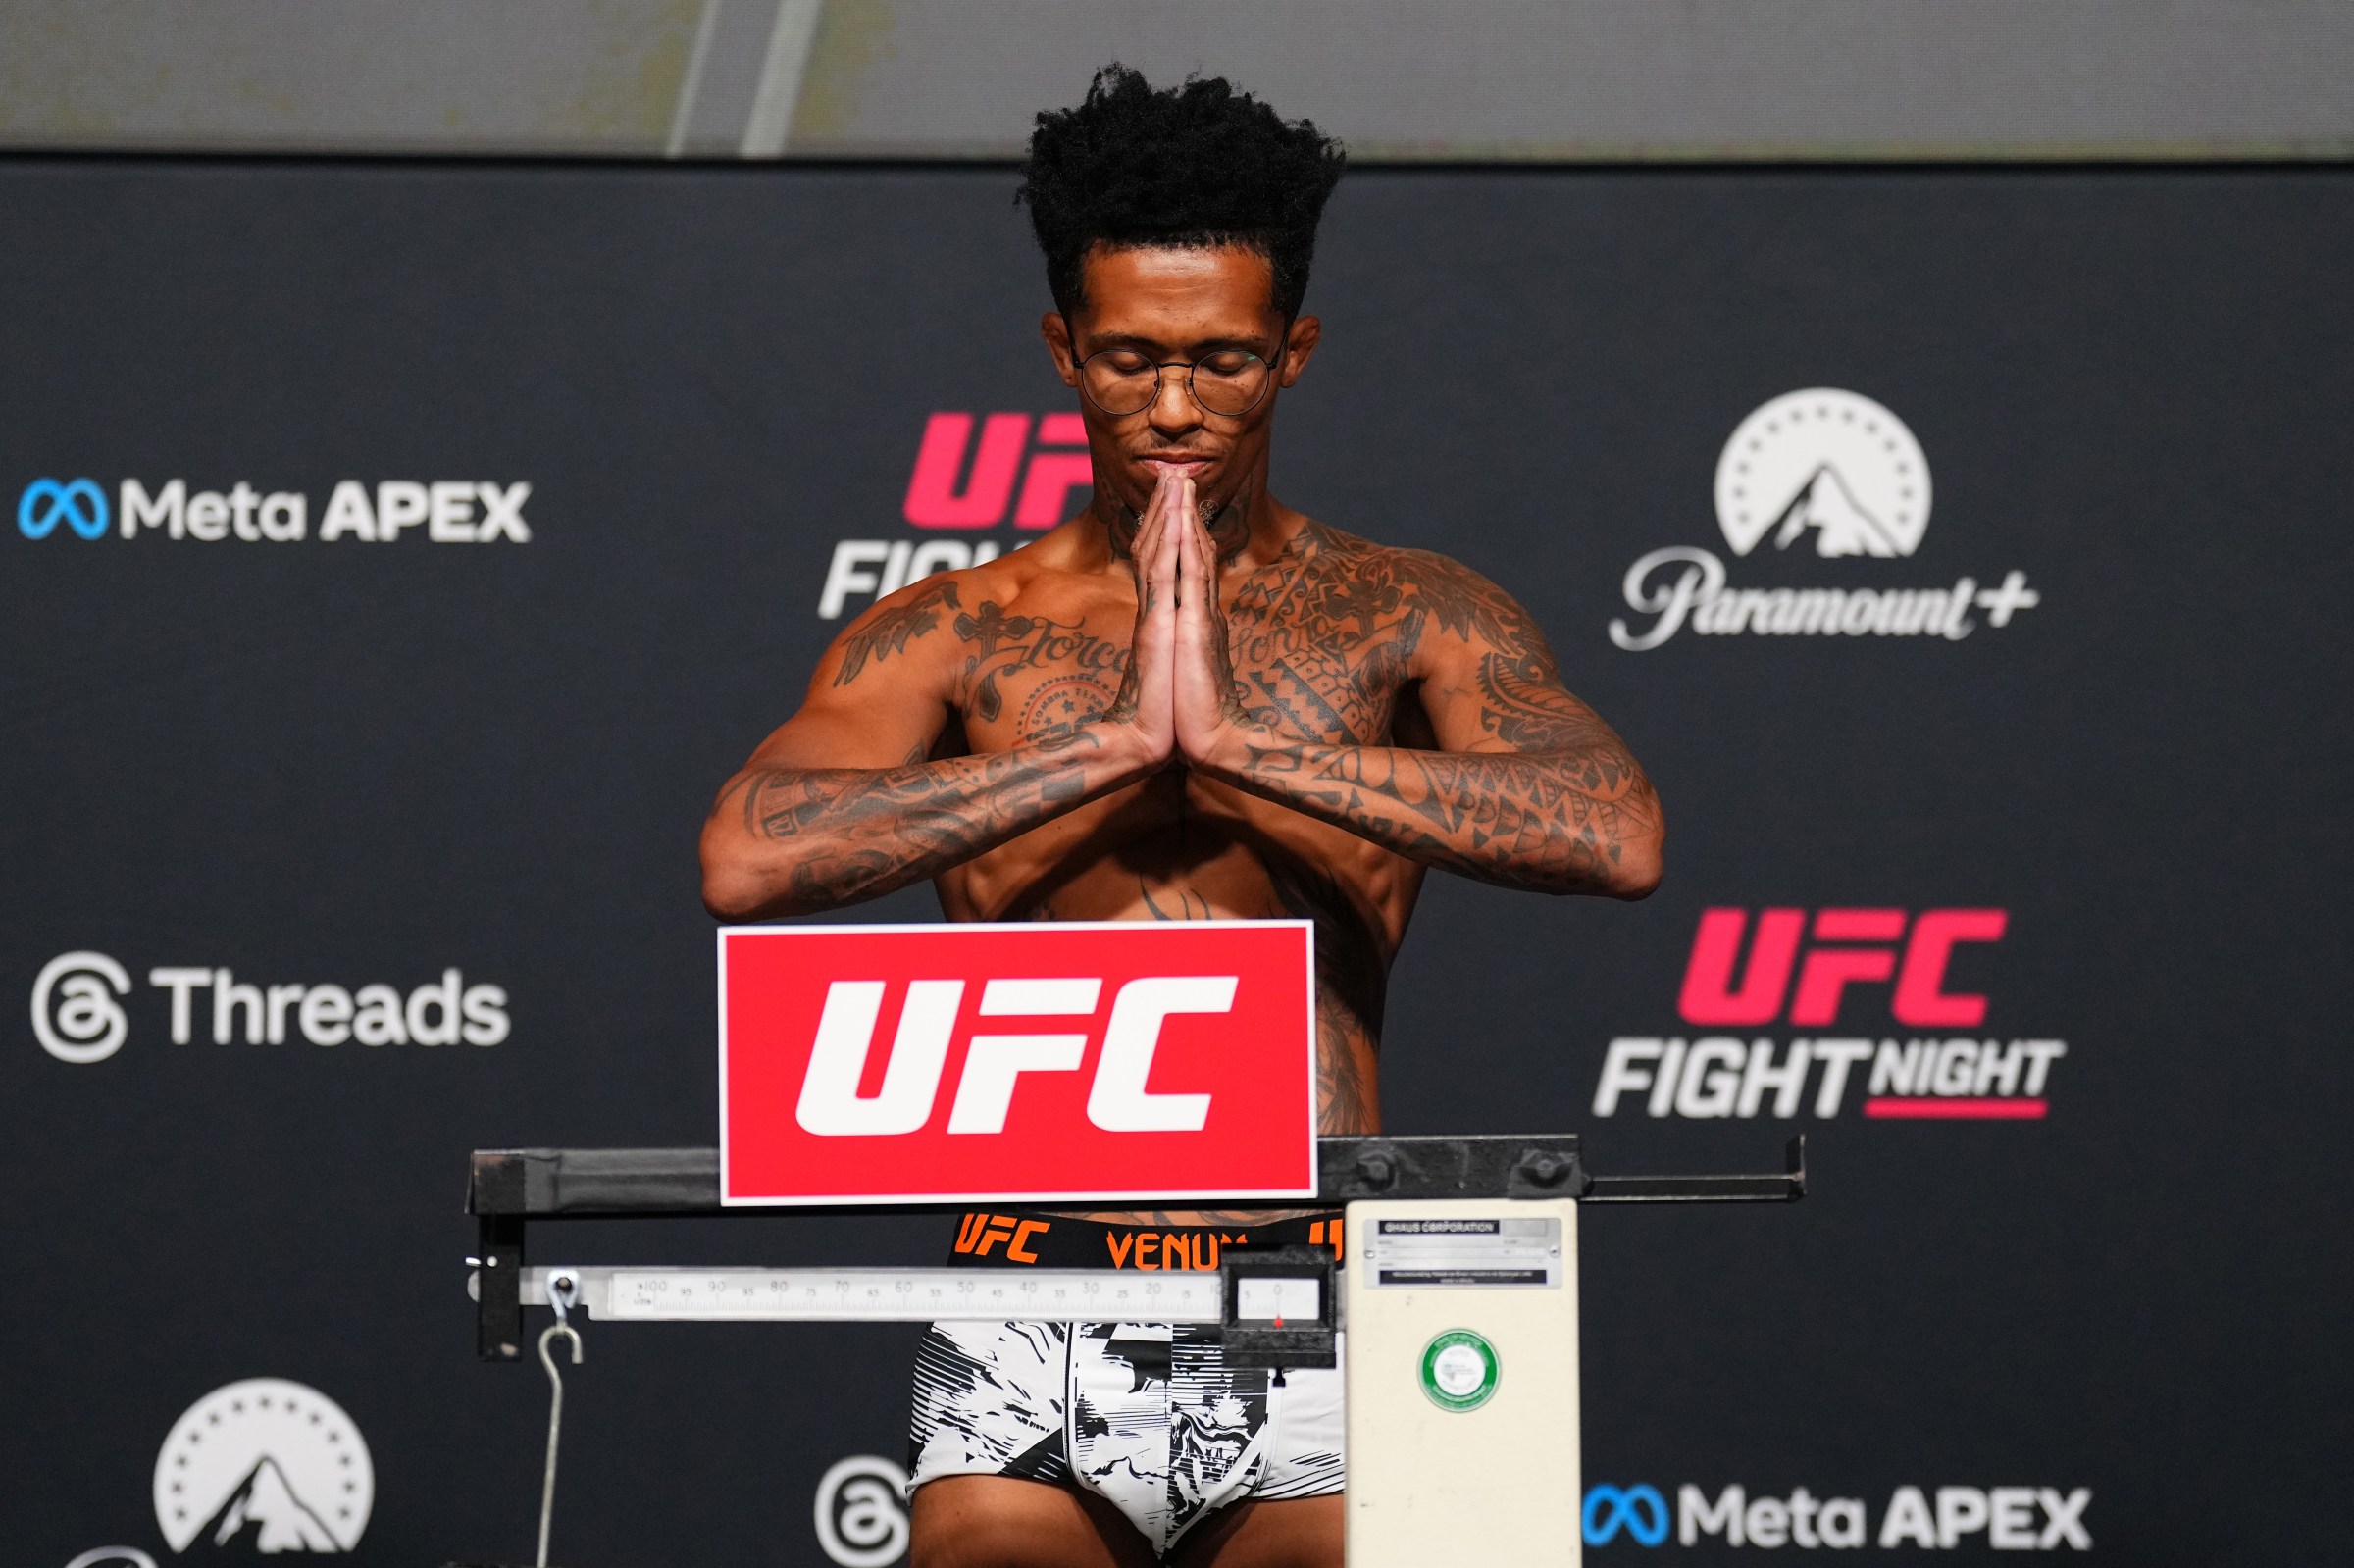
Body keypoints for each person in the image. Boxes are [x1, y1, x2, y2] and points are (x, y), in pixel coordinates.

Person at [699, 64, 1663, 1568]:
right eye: (1128, 358)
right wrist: (1107, 754)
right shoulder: (959, 629)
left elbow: (1616, 833)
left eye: (1220, 361)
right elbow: (748, 855)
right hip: (1034, 1275)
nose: (1171, 408)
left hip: (1323, 1264)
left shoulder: (1408, 612)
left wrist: (1234, 750)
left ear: (1295, 351)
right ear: (1062, 347)